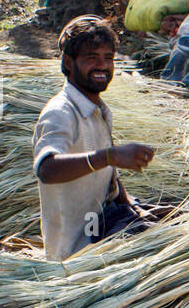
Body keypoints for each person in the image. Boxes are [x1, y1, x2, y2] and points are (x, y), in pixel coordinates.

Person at [33, 16, 158, 261]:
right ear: (69, 63)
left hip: (107, 221)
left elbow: (108, 175)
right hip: (81, 248)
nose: (102, 66)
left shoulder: (97, 110)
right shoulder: (61, 112)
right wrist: (109, 156)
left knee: (179, 217)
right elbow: (46, 169)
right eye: (92, 58)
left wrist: (133, 207)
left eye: (108, 58)